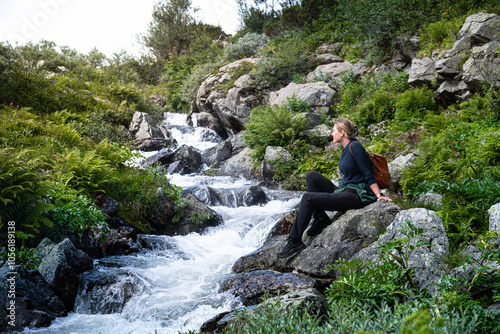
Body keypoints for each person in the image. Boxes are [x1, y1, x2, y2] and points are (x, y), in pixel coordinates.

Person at [277, 118, 392, 259]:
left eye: (334, 131)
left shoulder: (355, 147)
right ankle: (320, 218)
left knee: (307, 198)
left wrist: (379, 195)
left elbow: (367, 173)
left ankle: (294, 241)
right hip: (346, 191)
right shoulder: (346, 148)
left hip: (357, 195)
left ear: (342, 133)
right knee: (311, 175)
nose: (331, 134)